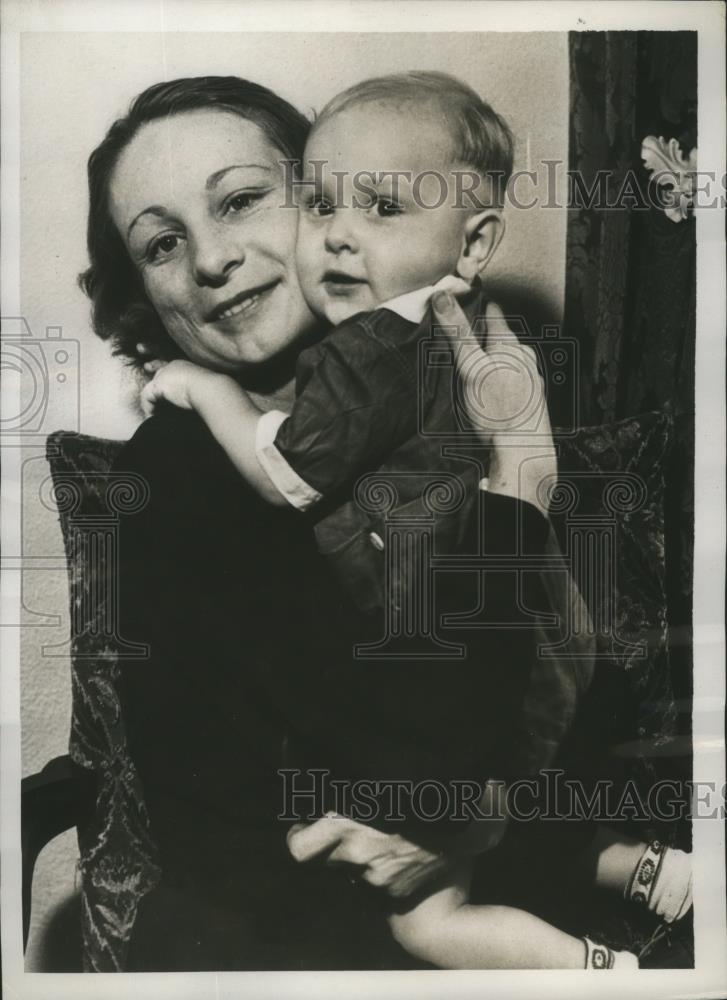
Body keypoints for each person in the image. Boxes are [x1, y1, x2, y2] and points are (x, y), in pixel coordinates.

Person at [82, 75, 691, 971]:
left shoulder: (449, 367)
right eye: (163, 243)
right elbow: (232, 832)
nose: (210, 259)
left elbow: (569, 697)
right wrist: (520, 489)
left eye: (243, 201)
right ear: (145, 290)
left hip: (493, 868)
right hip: (312, 922)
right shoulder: (166, 487)